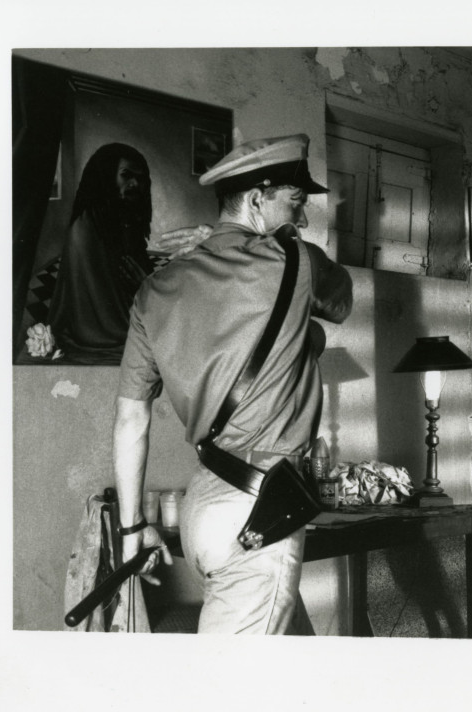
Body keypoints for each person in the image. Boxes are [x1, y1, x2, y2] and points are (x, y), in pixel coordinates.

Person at [113, 134, 353, 634]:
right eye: (296, 202)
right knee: (230, 697)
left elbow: (131, 418)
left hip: (204, 505)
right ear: (258, 197)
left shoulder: (152, 290)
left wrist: (133, 528)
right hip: (259, 514)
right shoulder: (297, 259)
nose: (303, 219)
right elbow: (341, 301)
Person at [47, 143, 157, 363]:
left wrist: (146, 284)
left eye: (140, 178)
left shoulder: (123, 217)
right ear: (106, 177)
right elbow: (102, 317)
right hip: (105, 330)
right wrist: (148, 288)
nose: (135, 184)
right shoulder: (86, 228)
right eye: (126, 175)